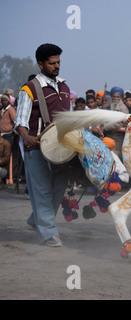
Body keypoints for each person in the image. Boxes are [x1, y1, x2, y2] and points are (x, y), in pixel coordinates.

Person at [15, 43, 71, 247]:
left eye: (58, 62)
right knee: (42, 190)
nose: (56, 66)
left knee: (59, 185)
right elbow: (20, 121)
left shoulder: (65, 87)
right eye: (51, 63)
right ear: (40, 64)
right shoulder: (28, 89)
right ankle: (48, 234)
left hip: (60, 148)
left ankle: (35, 220)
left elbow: (69, 119)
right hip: (35, 148)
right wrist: (26, 137)